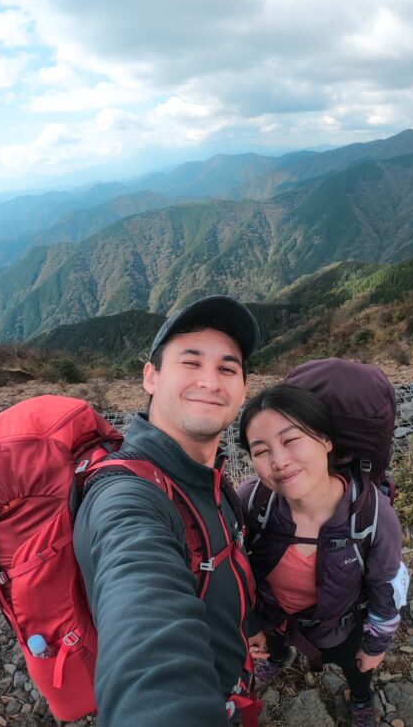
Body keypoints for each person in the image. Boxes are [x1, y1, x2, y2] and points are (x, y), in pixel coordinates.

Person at [73, 295, 260, 726]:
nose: (211, 382)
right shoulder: (125, 497)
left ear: (243, 390)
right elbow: (146, 635)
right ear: (151, 377)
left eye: (227, 369)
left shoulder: (207, 478)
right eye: (191, 363)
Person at [237, 384, 408, 727]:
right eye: (261, 450)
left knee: (357, 668)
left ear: (326, 440)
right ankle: (278, 654)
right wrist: (250, 625)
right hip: (275, 616)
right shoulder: (252, 502)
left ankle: (361, 696)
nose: (279, 461)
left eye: (291, 440)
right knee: (273, 643)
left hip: (341, 627)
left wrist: (375, 647)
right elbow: (235, 570)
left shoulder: (371, 514)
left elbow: (386, 586)